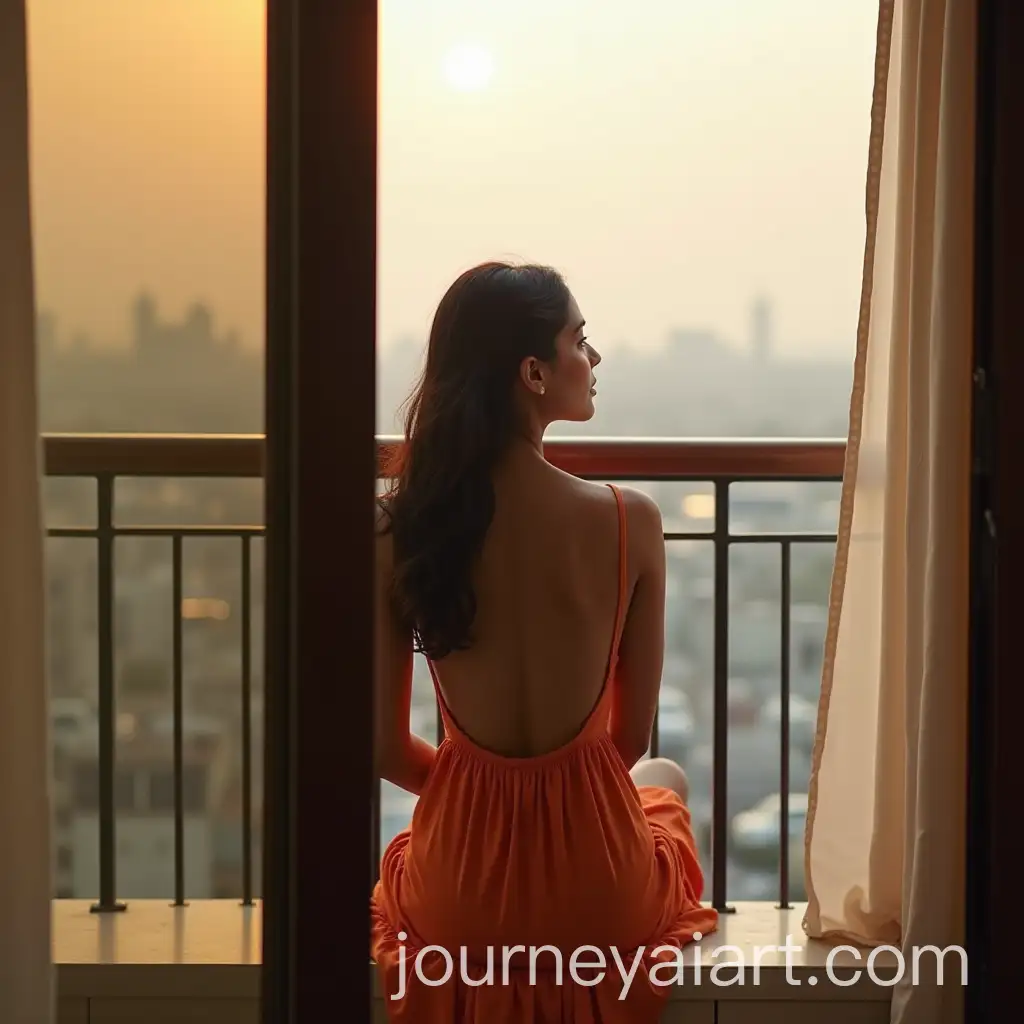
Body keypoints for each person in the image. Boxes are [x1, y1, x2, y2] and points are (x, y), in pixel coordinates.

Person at [371, 261, 717, 1021]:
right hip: (596, 896)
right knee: (667, 778)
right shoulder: (631, 521)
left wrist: (488, 798)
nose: (593, 361)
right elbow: (624, 742)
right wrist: (550, 806)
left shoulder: (402, 529)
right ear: (533, 371)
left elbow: (386, 749)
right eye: (580, 341)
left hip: (462, 899)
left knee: (411, 855)